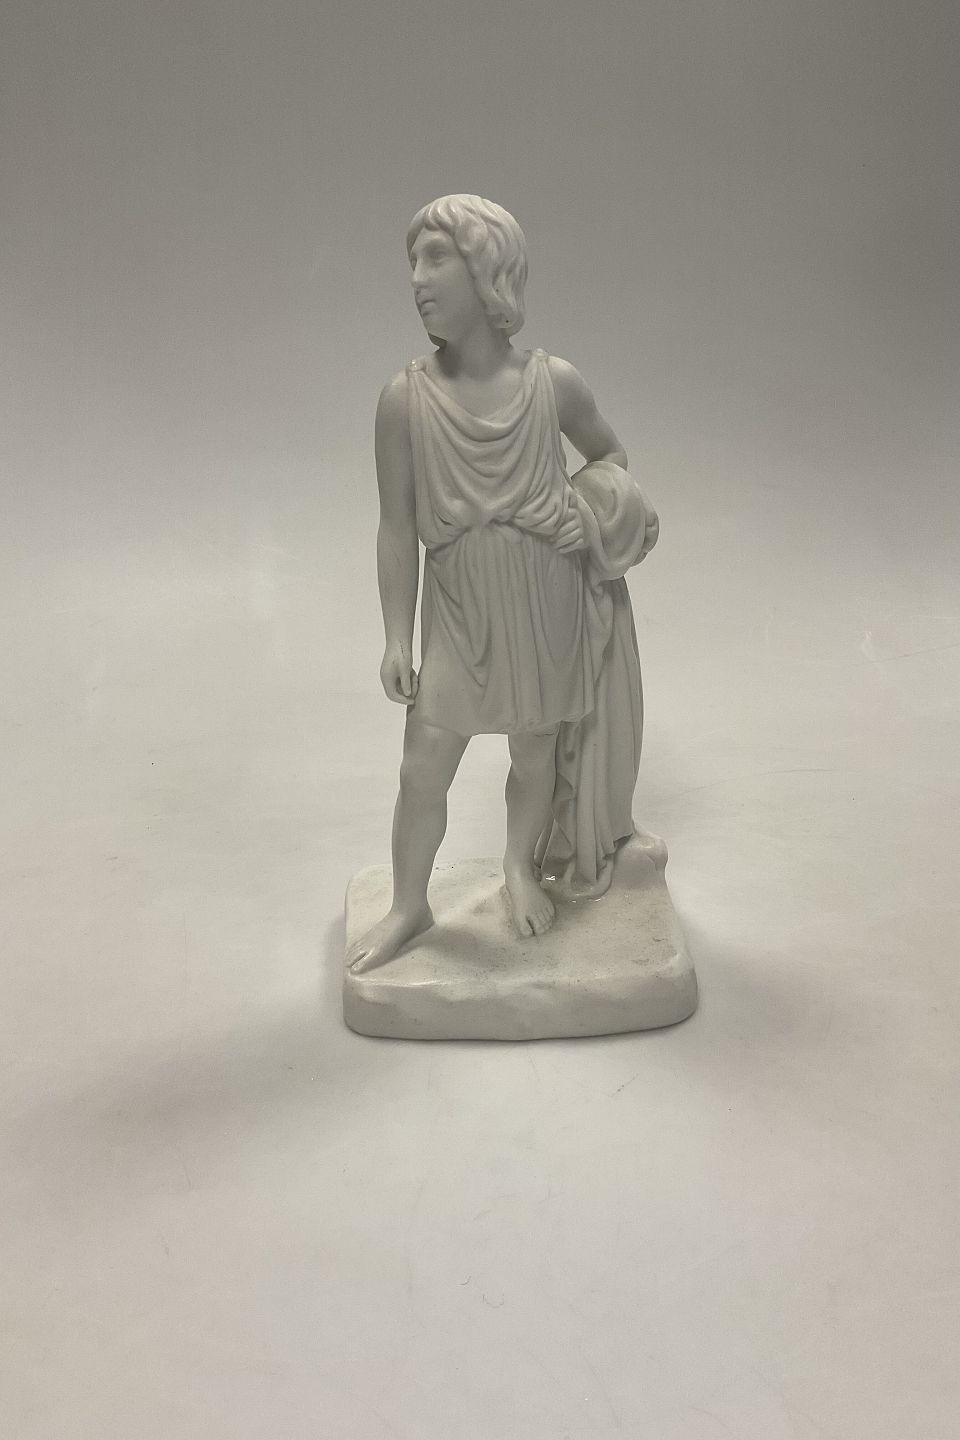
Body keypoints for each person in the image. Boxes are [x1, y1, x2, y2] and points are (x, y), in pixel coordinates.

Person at [347, 195, 657, 975]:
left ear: (488, 270)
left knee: (535, 750)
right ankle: (409, 904)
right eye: (412, 263)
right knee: (424, 765)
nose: (416, 280)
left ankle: (520, 865)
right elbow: (396, 528)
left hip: (544, 593)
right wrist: (395, 637)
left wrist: (583, 511)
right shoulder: (404, 400)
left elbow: (612, 459)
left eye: (435, 259)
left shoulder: (555, 383)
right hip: (460, 606)